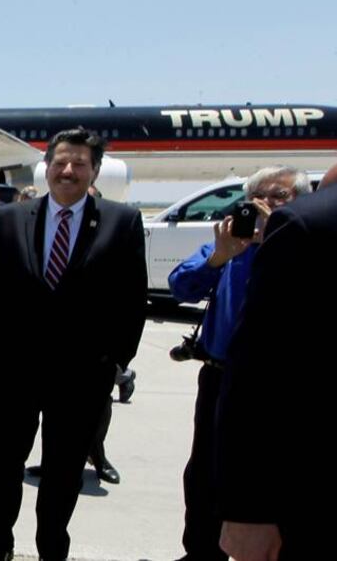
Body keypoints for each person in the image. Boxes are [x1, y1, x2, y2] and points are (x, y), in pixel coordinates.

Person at [0, 128, 147, 561]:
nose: (68, 171)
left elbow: (131, 297)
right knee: (1, 468)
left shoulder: (122, 222)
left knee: (64, 472)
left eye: (80, 164)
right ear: (46, 168)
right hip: (14, 370)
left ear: (95, 171)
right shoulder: (11, 218)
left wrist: (116, 361)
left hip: (82, 376)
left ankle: (52, 549)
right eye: (60, 162)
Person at [166, 167, 309, 561]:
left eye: (279, 197)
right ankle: (200, 552)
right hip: (220, 379)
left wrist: (276, 238)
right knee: (204, 475)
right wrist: (219, 258)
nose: (266, 204)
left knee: (270, 478)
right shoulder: (233, 244)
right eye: (258, 197)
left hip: (281, 387)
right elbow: (180, 286)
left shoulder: (306, 245)